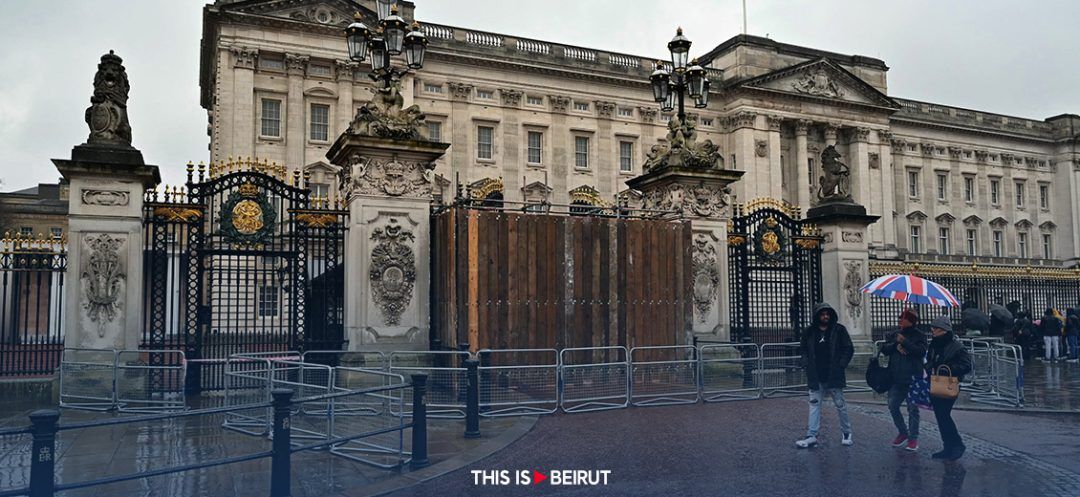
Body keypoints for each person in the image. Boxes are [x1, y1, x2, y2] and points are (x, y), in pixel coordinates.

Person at [795, 302, 855, 448]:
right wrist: (805, 363)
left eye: (827, 314)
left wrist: (841, 364)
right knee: (814, 405)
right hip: (815, 374)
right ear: (817, 316)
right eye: (822, 314)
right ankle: (811, 435)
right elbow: (802, 349)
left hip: (833, 374)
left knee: (840, 405)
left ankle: (847, 432)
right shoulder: (809, 331)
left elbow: (848, 348)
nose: (825, 316)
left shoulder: (839, 330)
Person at [880, 308, 928, 451]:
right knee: (893, 406)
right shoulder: (895, 334)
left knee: (913, 410)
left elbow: (921, 352)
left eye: (903, 318)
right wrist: (896, 345)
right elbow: (884, 349)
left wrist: (905, 342)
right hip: (896, 378)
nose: (900, 320)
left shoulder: (920, 335)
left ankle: (913, 438)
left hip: (913, 377)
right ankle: (903, 432)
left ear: (910, 321)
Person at [926, 316, 973, 460]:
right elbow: (930, 360)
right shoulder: (934, 344)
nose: (932, 330)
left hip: (950, 384)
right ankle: (948, 446)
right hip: (936, 382)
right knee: (940, 416)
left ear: (943, 330)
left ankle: (956, 444)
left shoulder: (957, 346)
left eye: (935, 328)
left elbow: (966, 365)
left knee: (943, 414)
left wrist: (949, 369)